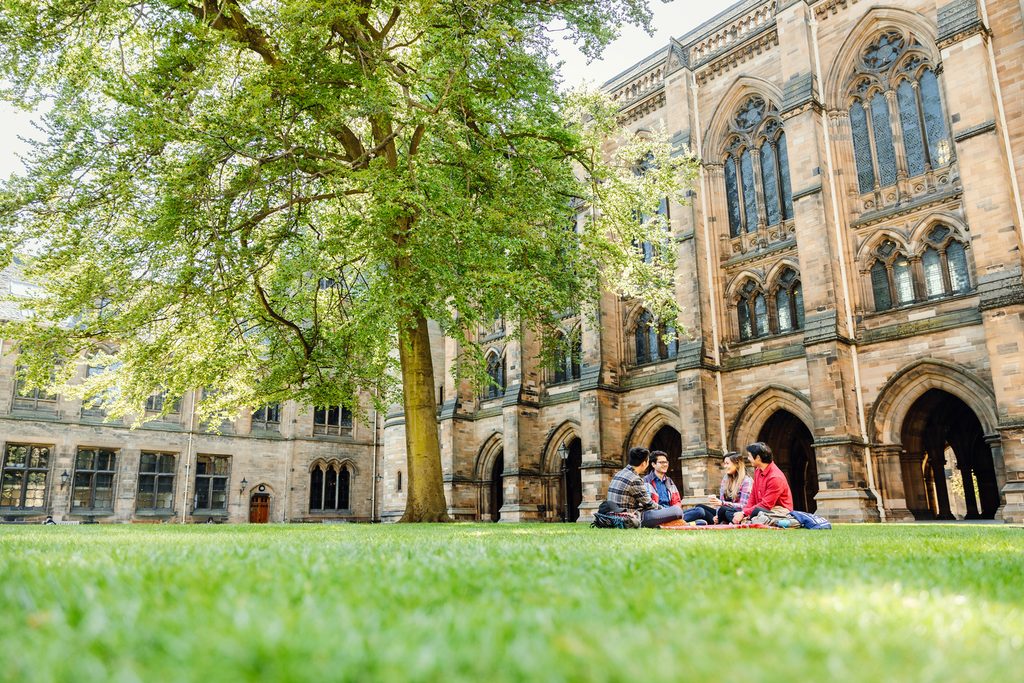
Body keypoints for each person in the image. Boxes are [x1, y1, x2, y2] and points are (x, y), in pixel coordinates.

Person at [607, 447, 682, 528]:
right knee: (677, 511)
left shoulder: (620, 473)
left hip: (614, 516)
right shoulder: (635, 479)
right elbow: (649, 504)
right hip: (631, 518)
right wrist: (666, 511)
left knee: (677, 511)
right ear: (644, 463)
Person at [732, 442, 795, 526]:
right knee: (728, 511)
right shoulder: (758, 470)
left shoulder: (775, 477)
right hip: (761, 509)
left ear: (758, 457)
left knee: (757, 516)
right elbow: (753, 496)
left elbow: (766, 505)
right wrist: (744, 512)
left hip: (779, 511)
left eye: (749, 456)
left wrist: (744, 513)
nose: (748, 458)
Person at [682, 452, 752, 524]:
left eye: (727, 463)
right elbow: (720, 502)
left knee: (723, 509)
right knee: (700, 507)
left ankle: (683, 520)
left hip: (734, 514)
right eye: (724, 463)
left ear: (737, 464)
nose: (725, 466)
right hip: (721, 514)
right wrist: (717, 515)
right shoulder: (726, 478)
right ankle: (677, 517)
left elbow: (743, 506)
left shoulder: (746, 481)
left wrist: (722, 504)